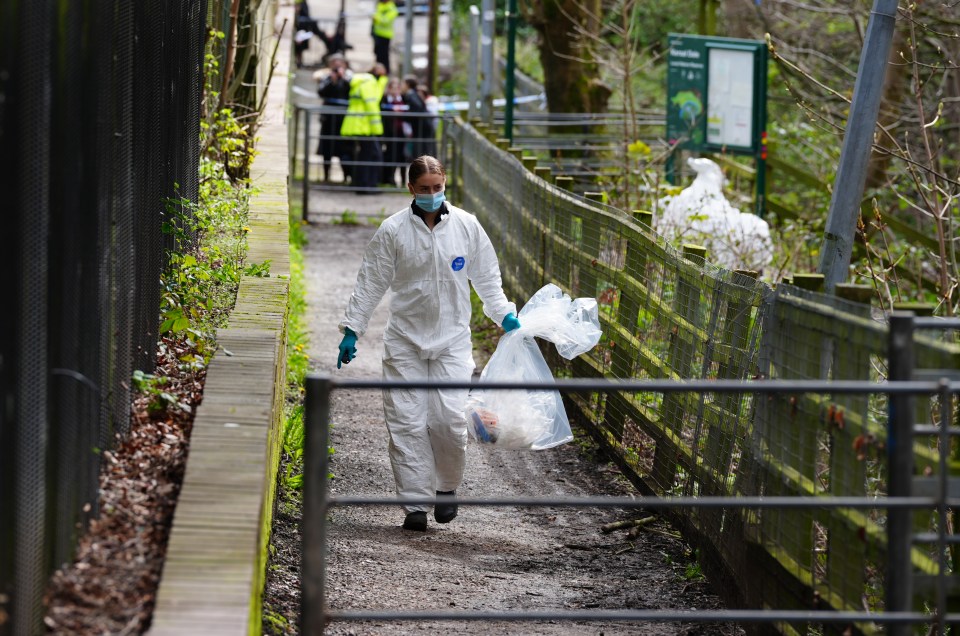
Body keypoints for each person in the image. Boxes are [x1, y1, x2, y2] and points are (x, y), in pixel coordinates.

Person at [336, 156, 522, 531]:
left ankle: (447, 489)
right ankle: (415, 506)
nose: (433, 195)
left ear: (445, 184)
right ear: (411, 189)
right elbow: (370, 281)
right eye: (425, 189)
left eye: (438, 188)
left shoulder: (467, 227)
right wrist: (353, 330)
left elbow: (486, 276)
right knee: (405, 422)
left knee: (449, 419)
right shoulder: (392, 231)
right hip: (405, 340)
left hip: (452, 340)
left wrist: (503, 314)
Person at [341, 64, 388, 192]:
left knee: (364, 156)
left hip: (357, 124)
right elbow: (372, 104)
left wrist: (383, 81)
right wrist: (377, 128)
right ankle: (366, 185)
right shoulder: (369, 83)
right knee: (372, 156)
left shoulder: (361, 81)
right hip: (365, 125)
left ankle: (362, 184)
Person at [316, 54, 352, 182]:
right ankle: (326, 175)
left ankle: (346, 176)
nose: (337, 67)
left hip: (344, 120)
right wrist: (333, 81)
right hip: (328, 119)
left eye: (340, 64)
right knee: (327, 148)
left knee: (345, 149)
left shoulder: (350, 77)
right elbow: (321, 92)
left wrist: (343, 79)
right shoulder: (327, 77)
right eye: (334, 65)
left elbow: (351, 91)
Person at [380, 78, 410, 187]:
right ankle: (389, 179)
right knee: (390, 155)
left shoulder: (404, 98)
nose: (395, 90)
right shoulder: (384, 99)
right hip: (389, 131)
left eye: (397, 88)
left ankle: (403, 180)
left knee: (402, 156)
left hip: (401, 131)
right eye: (393, 88)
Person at [371, 0, 399, 72]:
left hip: (385, 35)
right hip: (377, 33)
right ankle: (378, 70)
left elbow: (385, 21)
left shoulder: (392, 9)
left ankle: (385, 71)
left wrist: (376, 18)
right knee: (378, 54)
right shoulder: (380, 5)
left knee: (384, 55)